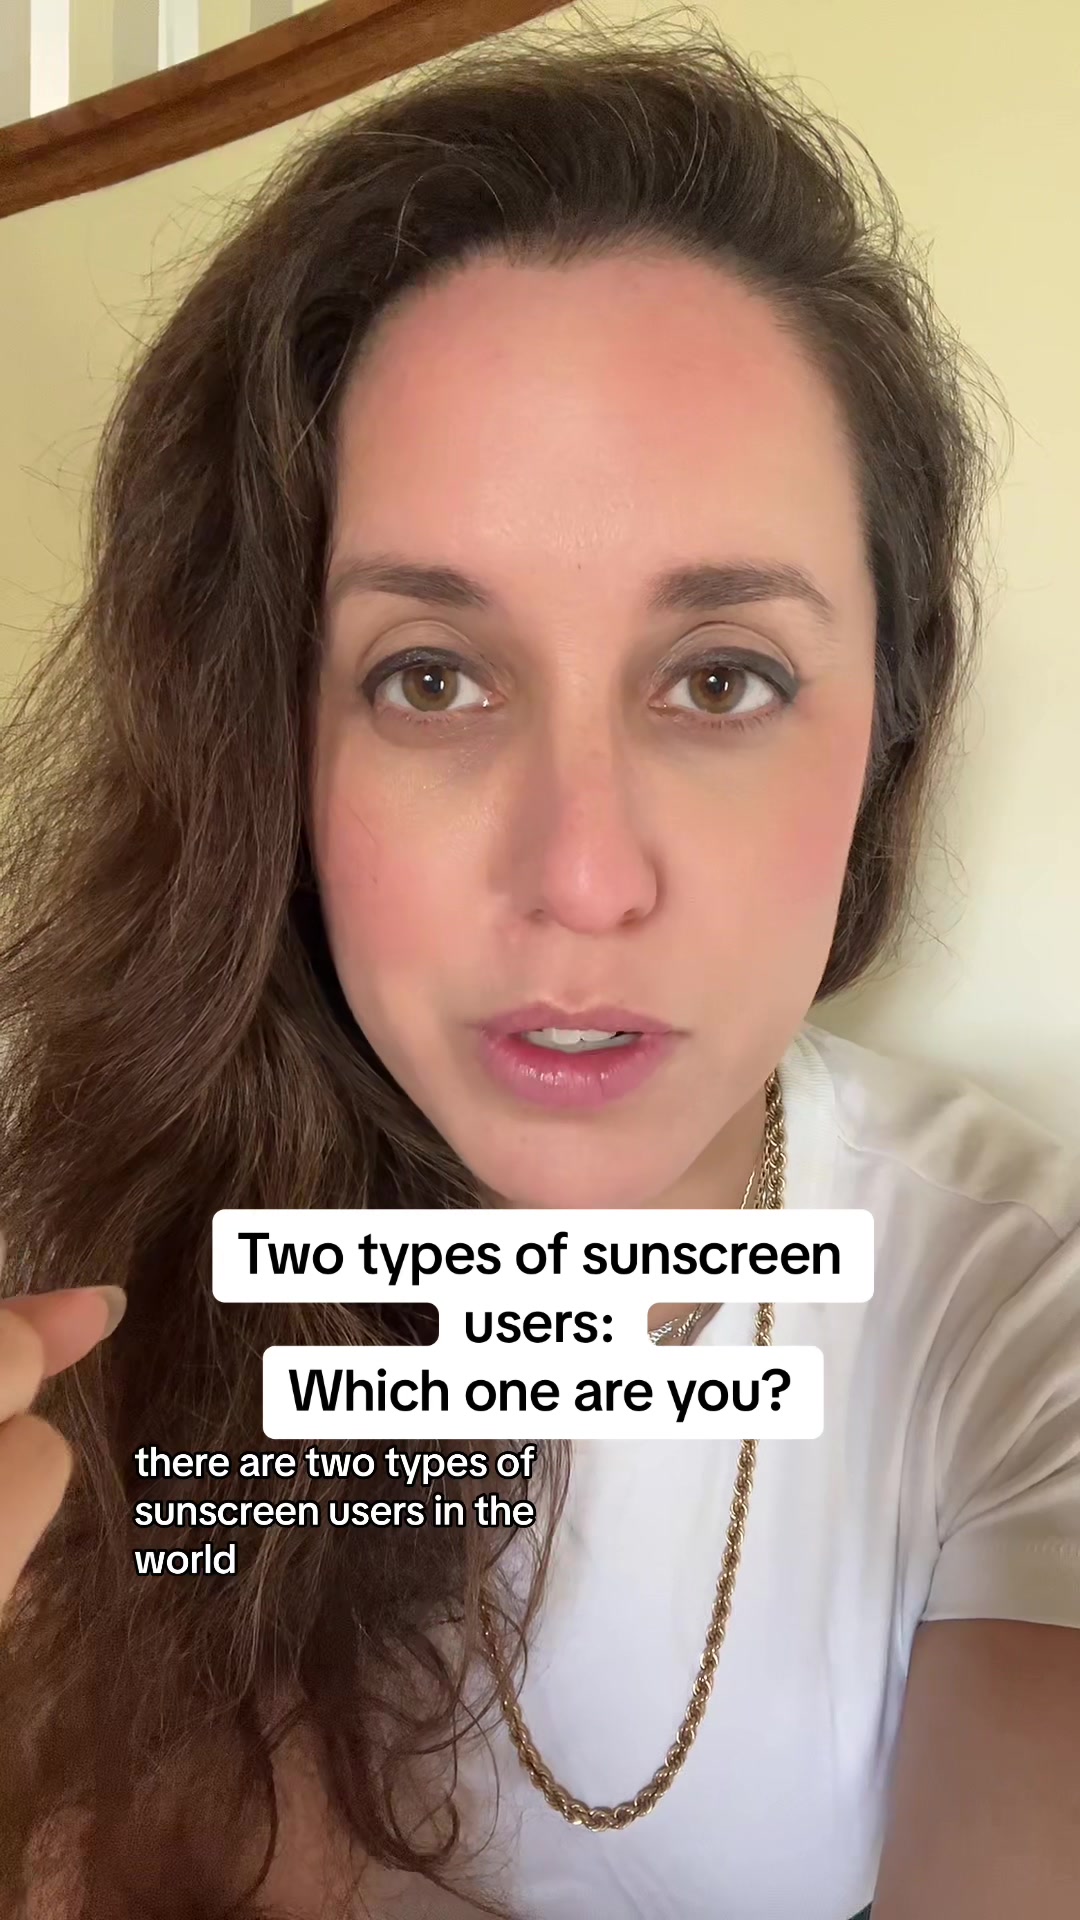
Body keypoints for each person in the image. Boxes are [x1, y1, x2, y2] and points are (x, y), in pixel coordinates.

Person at [1, 16, 1078, 1919]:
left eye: (721, 679)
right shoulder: (99, 1229)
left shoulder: (1011, 1315)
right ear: (272, 744)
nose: (581, 879)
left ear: (885, 735)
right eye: (432, 677)